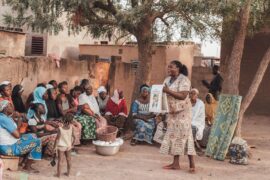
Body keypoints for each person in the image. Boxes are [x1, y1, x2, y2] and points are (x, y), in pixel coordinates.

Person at [160, 60, 196, 172]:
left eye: (171, 67)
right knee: (174, 136)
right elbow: (163, 94)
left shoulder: (184, 80)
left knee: (186, 135)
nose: (169, 69)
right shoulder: (167, 80)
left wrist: (167, 91)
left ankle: (192, 164)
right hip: (172, 112)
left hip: (183, 112)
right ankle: (175, 164)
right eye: (168, 67)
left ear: (178, 68)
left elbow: (183, 96)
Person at [0, 100, 42, 173]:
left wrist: (17, 118)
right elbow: (17, 135)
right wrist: (19, 120)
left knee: (33, 135)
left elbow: (14, 130)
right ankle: (27, 167)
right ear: (5, 108)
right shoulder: (5, 119)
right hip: (8, 148)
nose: (12, 107)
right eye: (10, 106)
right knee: (37, 142)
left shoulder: (4, 117)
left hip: (7, 144)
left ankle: (23, 161)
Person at [56, 81, 82, 146]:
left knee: (79, 125)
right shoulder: (58, 98)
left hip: (70, 116)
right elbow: (62, 112)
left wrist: (70, 110)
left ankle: (75, 143)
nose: (66, 89)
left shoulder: (68, 96)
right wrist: (70, 109)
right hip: (63, 118)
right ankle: (70, 144)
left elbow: (75, 107)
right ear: (59, 89)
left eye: (67, 88)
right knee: (72, 127)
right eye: (64, 88)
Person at [54, 113, 76, 178]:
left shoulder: (60, 129)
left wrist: (54, 147)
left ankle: (58, 175)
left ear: (63, 120)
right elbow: (74, 137)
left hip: (61, 147)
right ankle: (68, 174)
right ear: (71, 121)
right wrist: (72, 144)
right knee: (69, 160)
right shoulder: (71, 128)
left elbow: (57, 139)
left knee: (60, 161)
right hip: (68, 146)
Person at [190, 89, 205, 154]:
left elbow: (199, 114)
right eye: (191, 93)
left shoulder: (200, 103)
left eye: (194, 94)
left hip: (198, 121)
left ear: (197, 95)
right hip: (188, 119)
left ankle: (194, 145)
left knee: (192, 126)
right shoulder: (187, 101)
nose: (192, 95)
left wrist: (191, 121)